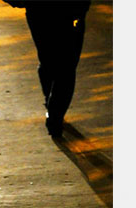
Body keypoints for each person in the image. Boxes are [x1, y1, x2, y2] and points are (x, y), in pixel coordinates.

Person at [5, 1, 91, 137]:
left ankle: (53, 112)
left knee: (54, 63)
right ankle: (54, 115)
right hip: (61, 13)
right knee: (64, 67)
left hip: (46, 13)